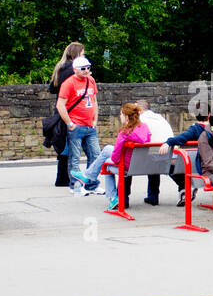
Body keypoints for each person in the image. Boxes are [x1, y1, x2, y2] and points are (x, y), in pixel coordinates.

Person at [81, 103, 150, 211]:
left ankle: (112, 197)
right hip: (140, 164)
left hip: (127, 167)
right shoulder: (145, 127)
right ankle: (89, 175)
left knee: (106, 163)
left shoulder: (124, 133)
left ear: (126, 117)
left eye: (121, 114)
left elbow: (115, 159)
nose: (120, 117)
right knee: (108, 149)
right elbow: (148, 141)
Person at [58, 55, 99, 196]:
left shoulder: (91, 80)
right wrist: (69, 123)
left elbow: (94, 100)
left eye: (88, 68)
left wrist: (95, 120)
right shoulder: (69, 83)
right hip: (76, 125)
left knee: (95, 155)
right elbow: (60, 105)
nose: (86, 70)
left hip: (90, 125)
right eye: (83, 68)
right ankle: (75, 186)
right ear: (75, 69)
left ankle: (91, 185)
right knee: (75, 158)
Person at [49, 43, 85, 187]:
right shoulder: (73, 70)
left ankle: (62, 177)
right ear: (76, 54)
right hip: (69, 110)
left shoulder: (60, 68)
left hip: (60, 110)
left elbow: (52, 88)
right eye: (82, 54)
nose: (84, 56)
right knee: (70, 144)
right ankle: (66, 177)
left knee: (65, 143)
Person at [159, 114, 211, 206]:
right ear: (209, 115)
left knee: (168, 165)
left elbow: (182, 138)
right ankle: (184, 189)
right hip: (210, 163)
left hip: (194, 162)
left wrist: (168, 142)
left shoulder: (195, 129)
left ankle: (185, 187)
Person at [135, 99, 172, 205]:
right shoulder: (160, 118)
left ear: (140, 110)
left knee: (148, 158)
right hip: (168, 153)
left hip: (151, 156)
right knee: (154, 159)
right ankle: (153, 196)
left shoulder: (139, 119)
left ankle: (152, 196)